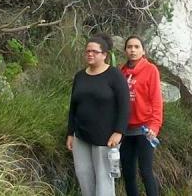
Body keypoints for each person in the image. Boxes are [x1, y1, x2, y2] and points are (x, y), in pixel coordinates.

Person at [66, 34, 130, 196]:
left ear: (104, 55)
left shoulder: (115, 76)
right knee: (84, 177)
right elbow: (73, 106)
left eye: (95, 51)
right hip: (81, 136)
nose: (90, 54)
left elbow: (124, 106)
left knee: (104, 181)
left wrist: (119, 131)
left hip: (106, 139)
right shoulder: (80, 76)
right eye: (87, 51)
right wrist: (70, 133)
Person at [119, 36, 162, 196]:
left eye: (137, 47)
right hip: (126, 130)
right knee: (128, 174)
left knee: (145, 171)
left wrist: (155, 126)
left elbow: (157, 100)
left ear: (143, 51)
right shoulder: (121, 72)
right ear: (125, 50)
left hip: (145, 130)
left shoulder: (151, 70)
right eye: (129, 47)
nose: (133, 50)